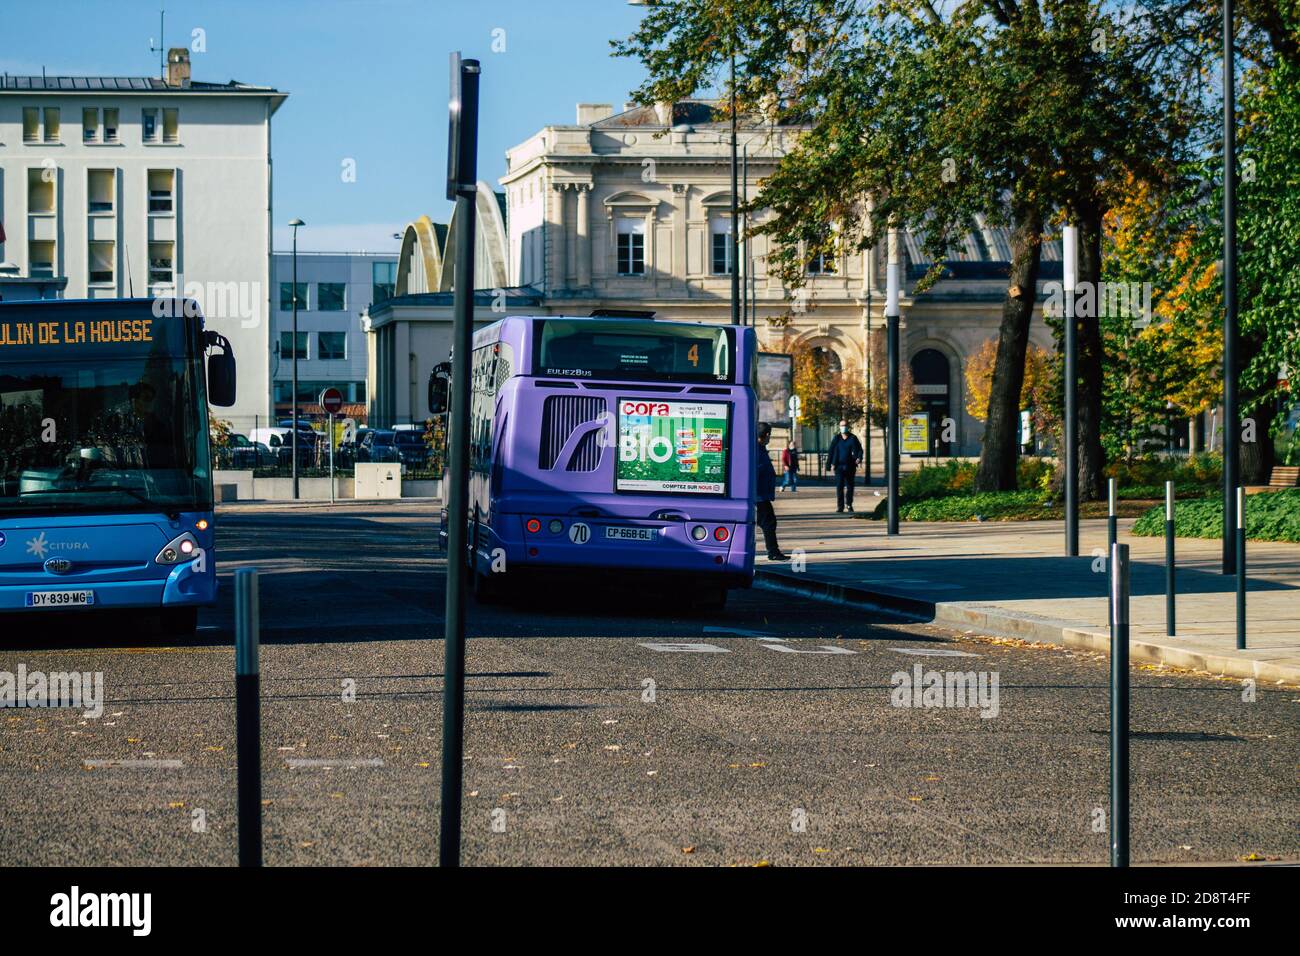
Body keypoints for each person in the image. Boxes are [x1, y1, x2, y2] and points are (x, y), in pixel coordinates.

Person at [755, 423, 789, 560]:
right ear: (767, 435)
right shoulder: (757, 450)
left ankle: (773, 551)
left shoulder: (759, 449)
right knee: (768, 522)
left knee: (767, 522)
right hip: (759, 495)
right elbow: (757, 471)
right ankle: (773, 552)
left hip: (761, 494)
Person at [826, 419, 864, 513]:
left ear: (848, 427)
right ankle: (840, 506)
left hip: (850, 466)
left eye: (845, 425)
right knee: (840, 487)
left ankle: (849, 504)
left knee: (850, 486)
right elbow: (831, 451)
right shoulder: (837, 438)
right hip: (839, 466)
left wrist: (859, 458)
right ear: (839, 427)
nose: (843, 427)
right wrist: (828, 464)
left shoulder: (853, 438)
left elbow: (860, 450)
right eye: (842, 425)